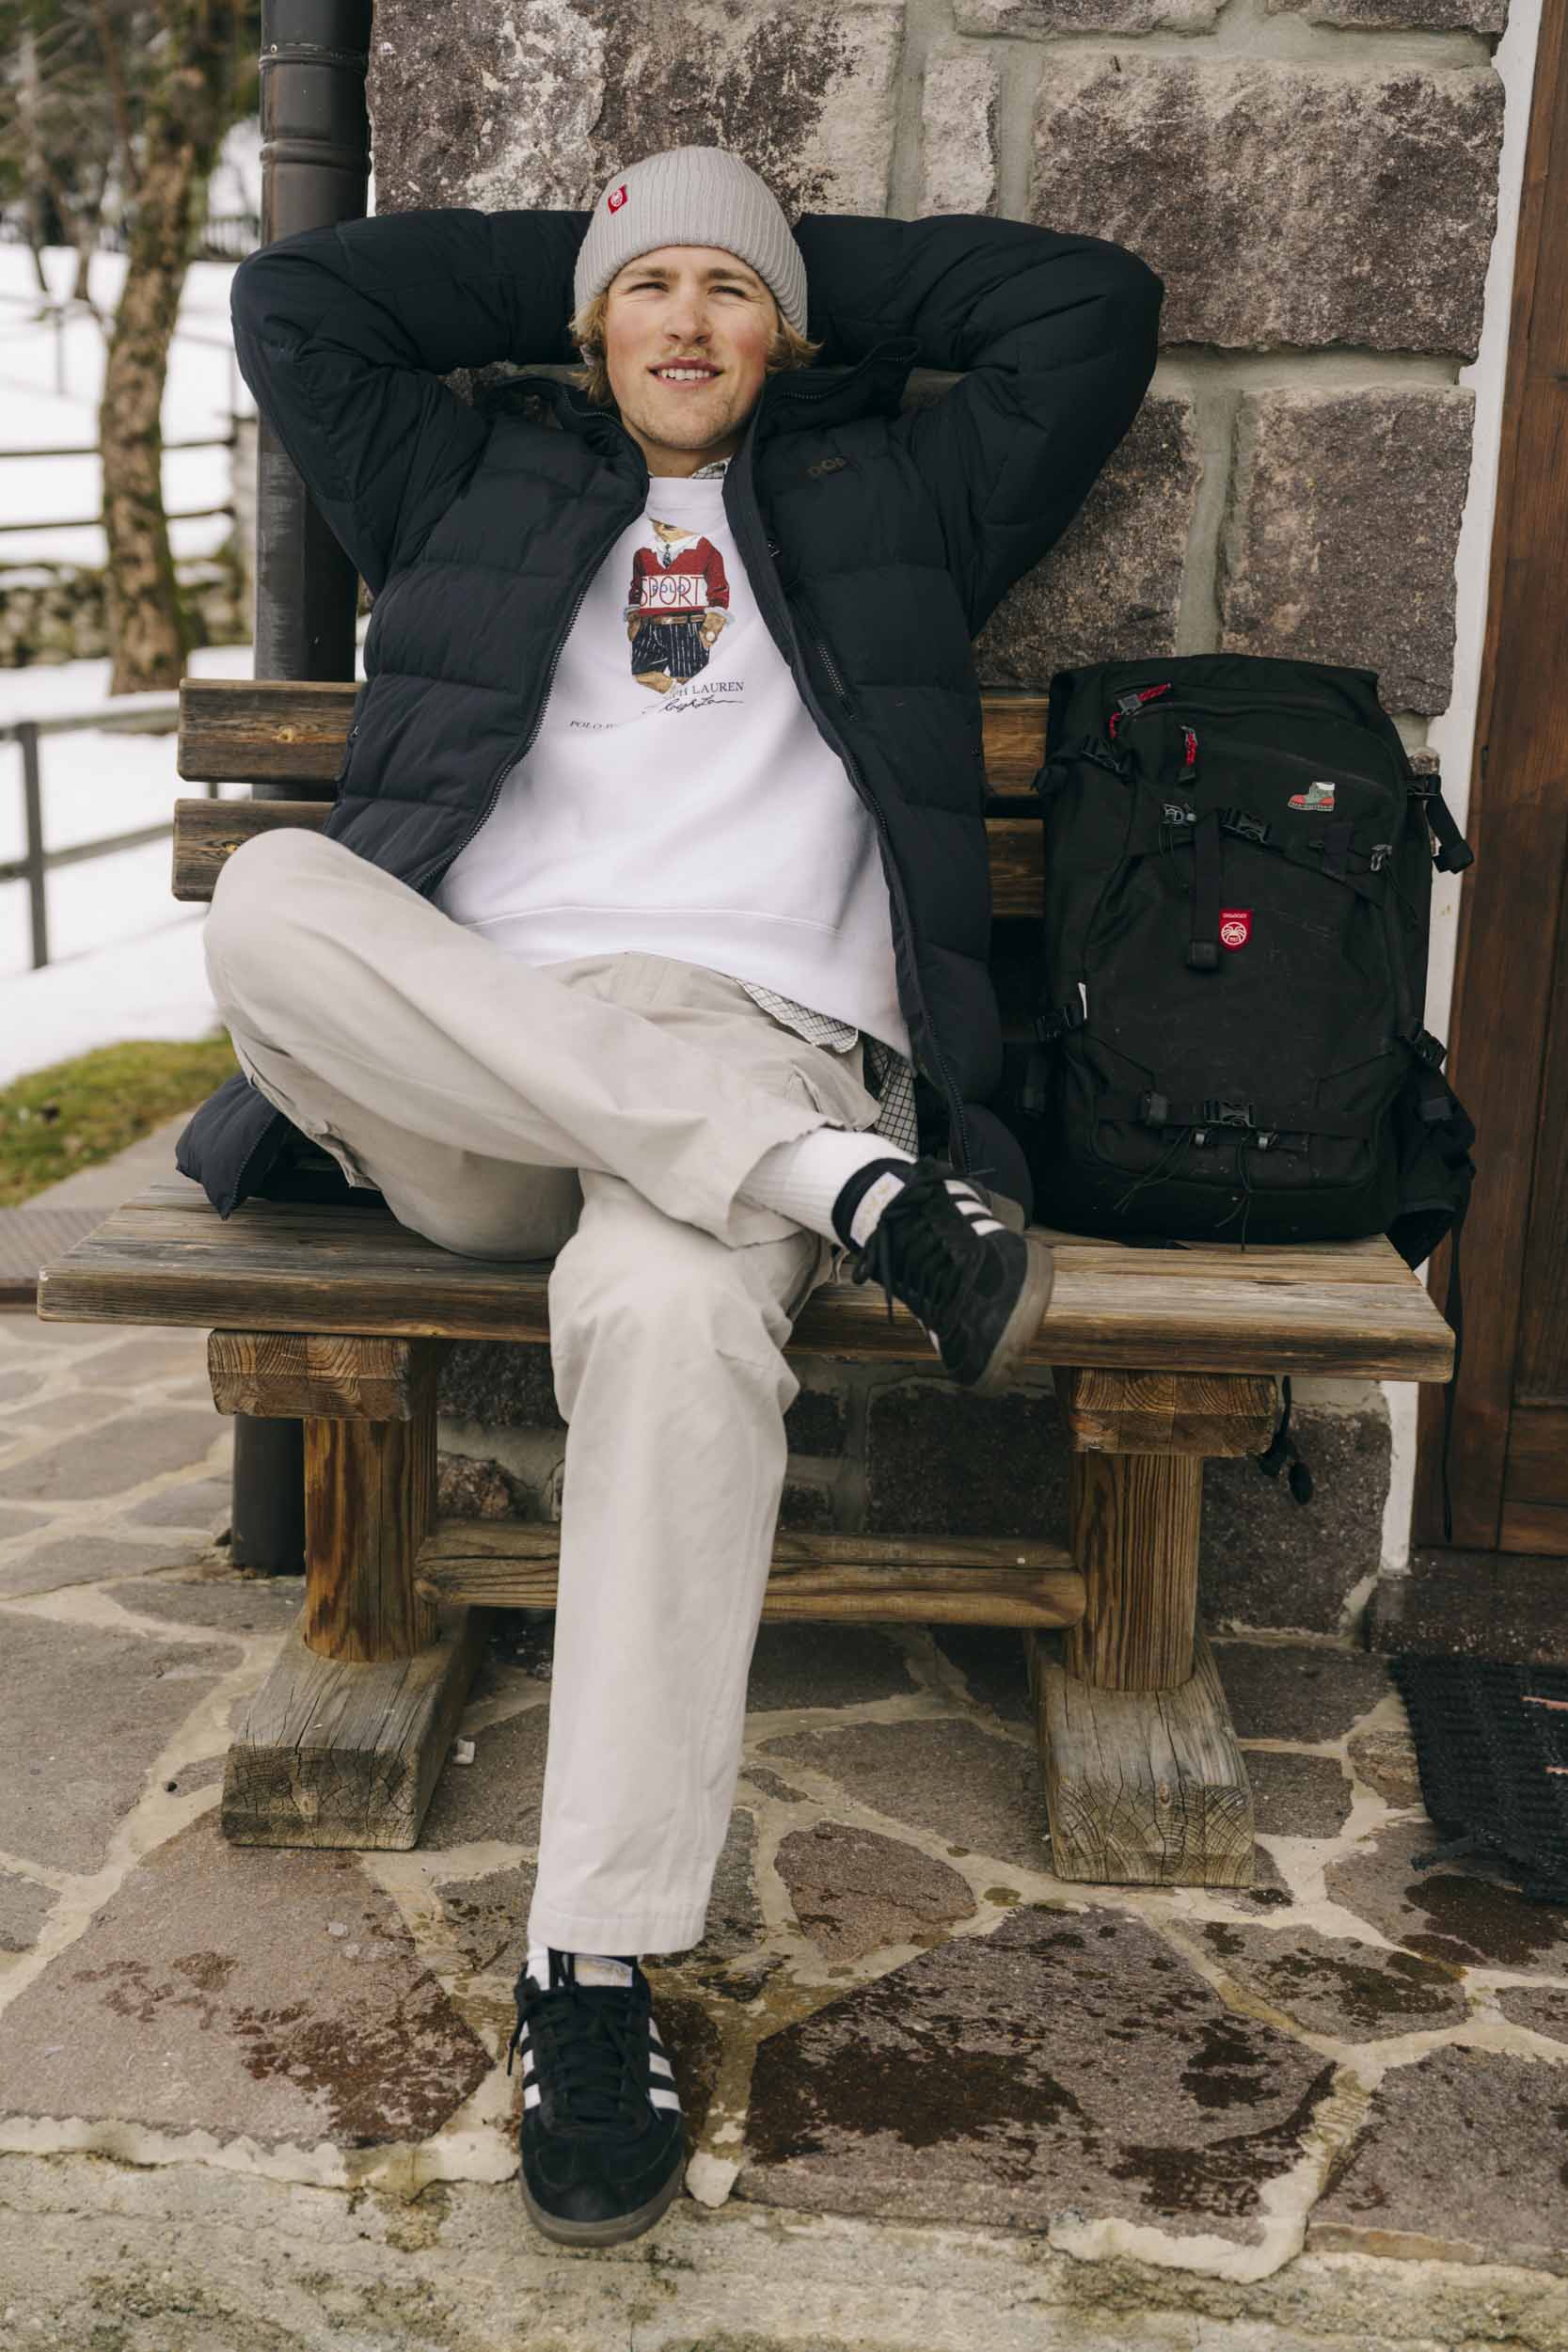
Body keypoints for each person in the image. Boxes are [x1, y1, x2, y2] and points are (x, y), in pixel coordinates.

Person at [182, 144, 1163, 2248]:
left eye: (733, 294)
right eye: (650, 292)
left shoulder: (898, 498)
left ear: (791, 331)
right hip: (487, 1058)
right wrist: (613, 249)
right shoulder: (460, 478)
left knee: (674, 1314)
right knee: (269, 894)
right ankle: (840, 1191)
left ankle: (595, 1961)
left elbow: (1084, 304)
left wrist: (765, 273)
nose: (688, 323)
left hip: (751, 1041)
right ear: (585, 323)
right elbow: (304, 302)